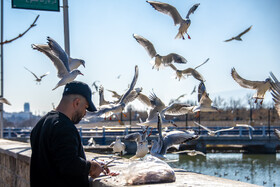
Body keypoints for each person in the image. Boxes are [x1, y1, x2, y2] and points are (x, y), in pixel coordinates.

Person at [30, 81, 106, 187]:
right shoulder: (63, 126)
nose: (85, 113)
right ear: (77, 103)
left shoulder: (40, 124)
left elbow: (57, 160)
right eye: (85, 108)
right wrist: (91, 167)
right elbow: (68, 164)